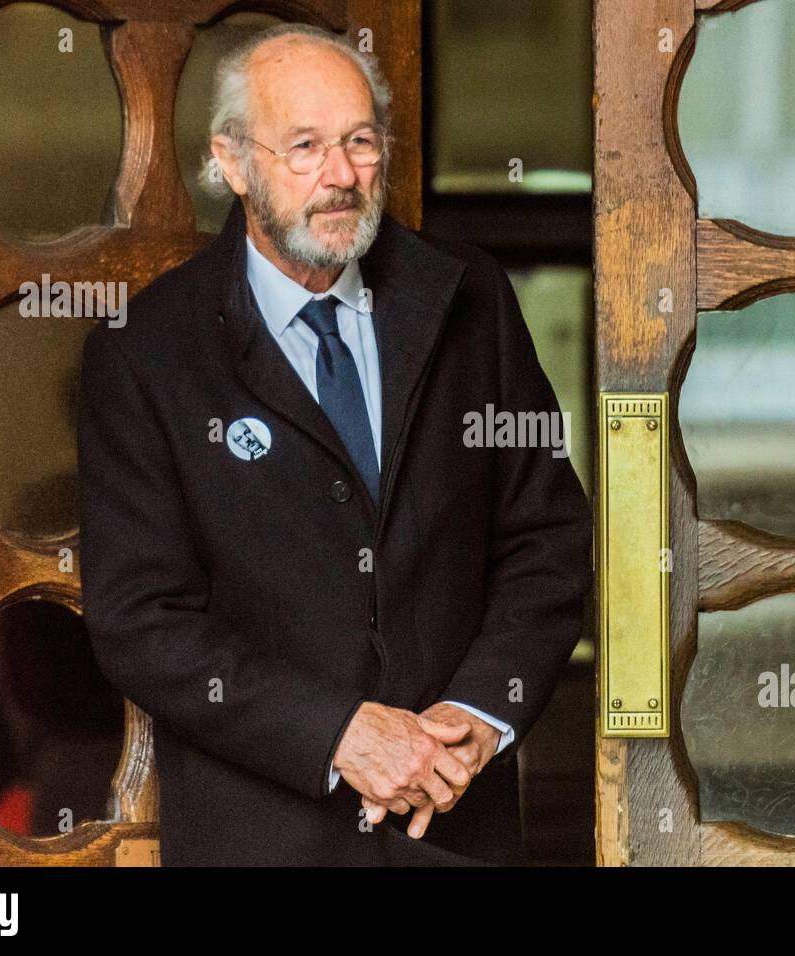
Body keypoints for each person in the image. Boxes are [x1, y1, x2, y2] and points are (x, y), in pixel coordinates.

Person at [76, 22, 592, 865]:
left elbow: (546, 539)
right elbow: (140, 620)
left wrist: (480, 715)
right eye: (306, 146)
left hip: (456, 829)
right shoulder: (147, 352)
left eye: (360, 142)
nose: (343, 175)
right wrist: (337, 734)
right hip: (263, 838)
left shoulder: (470, 303)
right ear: (234, 162)